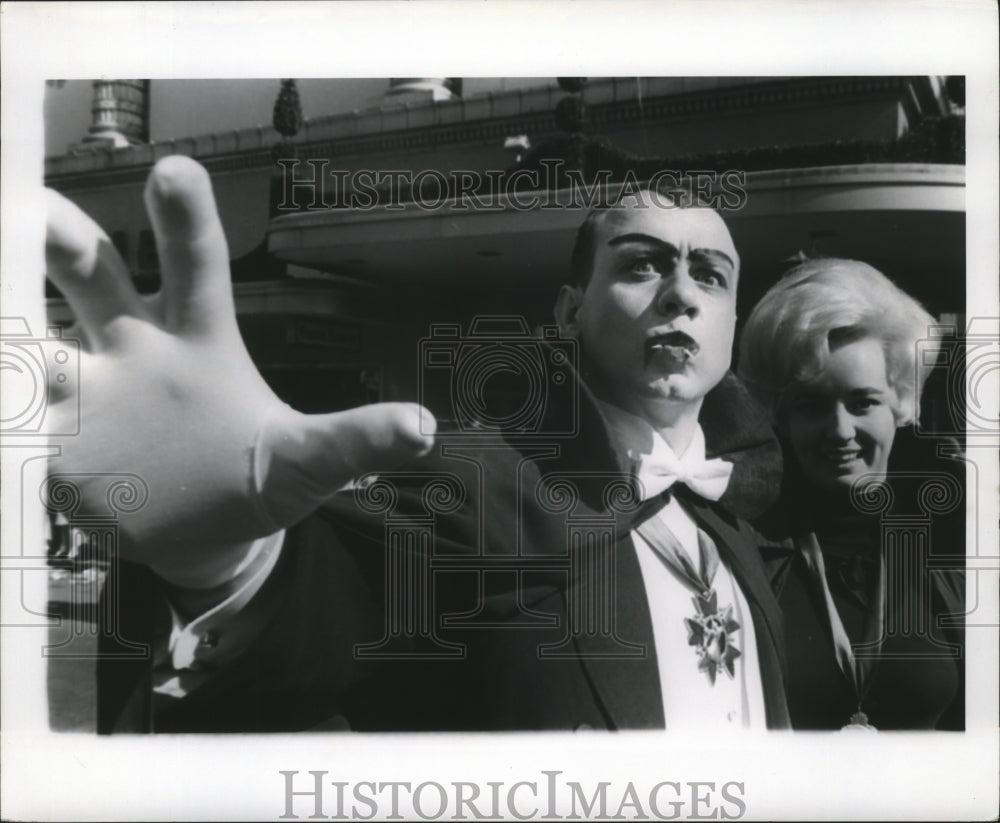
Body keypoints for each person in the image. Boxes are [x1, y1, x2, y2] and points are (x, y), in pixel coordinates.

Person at [44, 156, 790, 733]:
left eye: (711, 275)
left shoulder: (741, 524)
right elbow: (323, 614)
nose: (682, 291)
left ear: (730, 323)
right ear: (569, 311)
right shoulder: (472, 481)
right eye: (640, 263)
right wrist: (223, 559)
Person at [738, 258, 965, 730]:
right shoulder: (744, 550)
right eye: (812, 404)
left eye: (863, 402)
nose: (840, 431)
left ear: (903, 401)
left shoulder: (954, 546)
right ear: (780, 414)